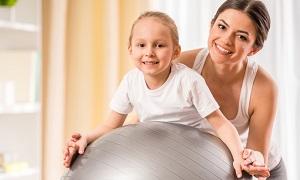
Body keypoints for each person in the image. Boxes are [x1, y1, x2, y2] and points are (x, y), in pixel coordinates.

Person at [62, 11, 259, 178]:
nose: (149, 52)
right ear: (130, 50)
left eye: (159, 45)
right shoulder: (131, 81)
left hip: (195, 154)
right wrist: (86, 137)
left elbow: (221, 123)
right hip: (154, 152)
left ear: (175, 52)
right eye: (141, 45)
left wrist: (238, 156)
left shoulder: (188, 81)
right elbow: (110, 125)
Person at [177, 0, 287, 179]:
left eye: (241, 36)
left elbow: (255, 161)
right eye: (222, 27)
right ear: (211, 25)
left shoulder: (264, 88)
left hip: (255, 170)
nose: (226, 40)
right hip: (203, 164)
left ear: (254, 49)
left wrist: (253, 162)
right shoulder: (182, 66)